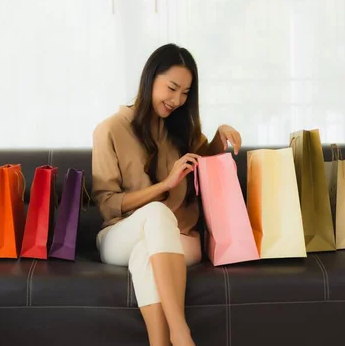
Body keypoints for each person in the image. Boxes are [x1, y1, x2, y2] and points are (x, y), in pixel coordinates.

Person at [91, 43, 242, 346]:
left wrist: (219, 136)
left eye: (185, 93)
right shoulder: (109, 129)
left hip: (174, 240)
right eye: (172, 88)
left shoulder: (180, 130)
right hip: (119, 235)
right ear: (150, 78)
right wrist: (164, 186)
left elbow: (203, 162)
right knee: (157, 215)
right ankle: (181, 332)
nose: (177, 100)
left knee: (145, 255)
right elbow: (108, 206)